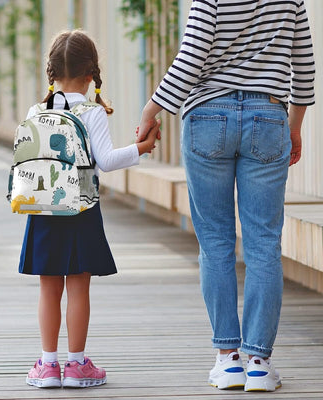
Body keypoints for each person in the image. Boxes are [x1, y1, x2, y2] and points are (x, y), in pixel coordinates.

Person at [137, 0, 315, 392]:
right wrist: (295, 125)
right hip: (269, 116)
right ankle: (259, 364)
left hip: (207, 115)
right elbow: (304, 68)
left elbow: (191, 56)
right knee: (263, 243)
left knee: (215, 241)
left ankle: (228, 361)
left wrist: (151, 111)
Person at [19, 30, 160, 389]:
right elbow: (108, 161)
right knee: (79, 288)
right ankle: (78, 364)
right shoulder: (91, 111)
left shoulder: (37, 110)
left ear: (50, 73)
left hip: (44, 207)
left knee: (48, 288)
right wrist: (141, 148)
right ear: (90, 75)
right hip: (81, 209)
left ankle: (48, 367)